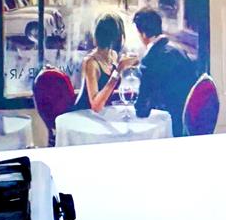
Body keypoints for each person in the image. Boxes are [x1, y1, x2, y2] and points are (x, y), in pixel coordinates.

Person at [132, 7, 199, 135]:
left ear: (144, 34)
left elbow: (142, 110)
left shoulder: (150, 59)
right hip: (189, 123)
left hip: (169, 127)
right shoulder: (179, 51)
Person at [75, 13, 133, 115]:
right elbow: (95, 106)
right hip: (85, 113)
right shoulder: (91, 62)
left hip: (104, 112)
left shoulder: (113, 55)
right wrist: (118, 70)